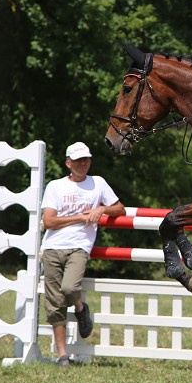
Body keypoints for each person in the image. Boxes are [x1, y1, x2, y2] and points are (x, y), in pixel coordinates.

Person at [40, 141, 125, 367]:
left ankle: (80, 308)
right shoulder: (55, 186)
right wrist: (79, 217)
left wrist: (102, 209)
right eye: (78, 160)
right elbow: (48, 221)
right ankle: (62, 354)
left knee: (69, 288)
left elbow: (120, 209)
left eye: (86, 159)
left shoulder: (97, 183)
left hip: (79, 246)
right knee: (54, 303)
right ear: (68, 163)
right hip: (52, 247)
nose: (83, 163)